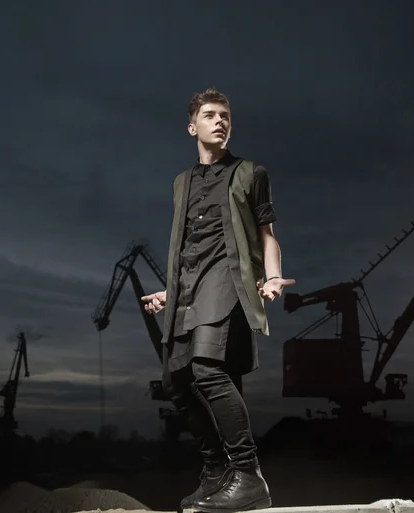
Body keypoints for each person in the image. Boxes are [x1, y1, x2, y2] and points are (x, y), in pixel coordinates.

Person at [141, 87, 295, 513]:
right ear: (193, 127)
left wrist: (274, 275)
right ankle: (215, 473)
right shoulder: (181, 183)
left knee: (208, 368)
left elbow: (267, 236)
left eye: (225, 116)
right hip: (188, 289)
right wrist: (170, 292)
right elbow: (189, 247)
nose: (220, 121)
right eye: (210, 115)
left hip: (228, 280)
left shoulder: (251, 173)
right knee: (176, 382)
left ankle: (248, 475)